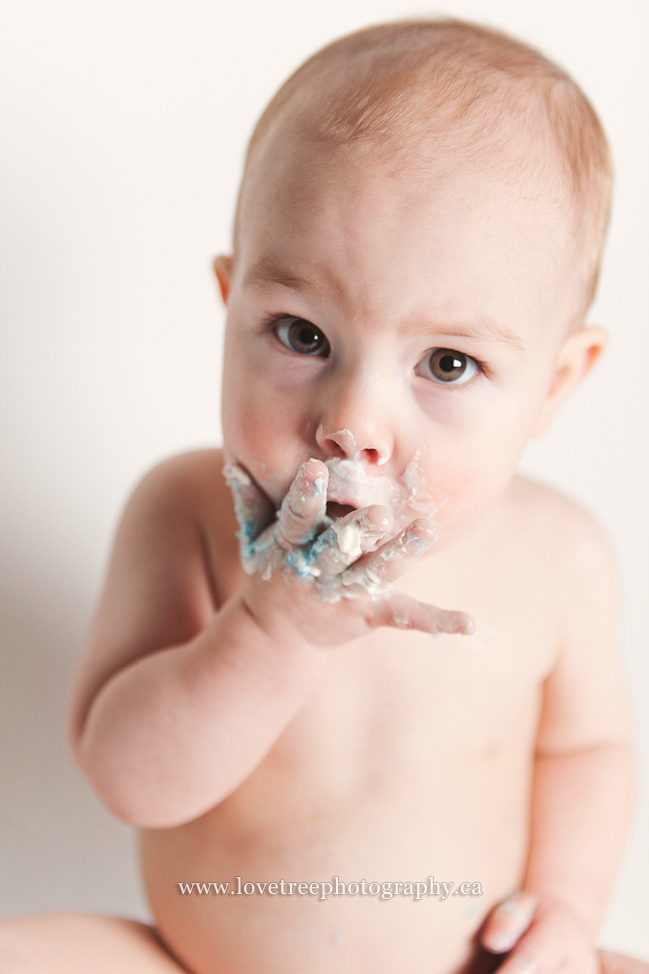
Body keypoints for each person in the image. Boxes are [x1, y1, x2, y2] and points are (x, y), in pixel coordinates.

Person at [1, 18, 646, 974]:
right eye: (302, 336)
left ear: (555, 383)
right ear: (230, 307)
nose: (353, 423)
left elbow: (586, 754)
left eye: (447, 361)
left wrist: (562, 908)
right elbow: (130, 779)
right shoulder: (181, 511)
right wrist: (270, 632)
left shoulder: (559, 555)